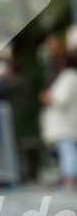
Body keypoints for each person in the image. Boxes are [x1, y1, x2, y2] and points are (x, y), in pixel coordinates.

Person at [39, 25, 77, 190]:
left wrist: (48, 97)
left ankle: (69, 179)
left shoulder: (69, 76)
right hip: (63, 123)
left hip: (65, 123)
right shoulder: (60, 73)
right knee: (65, 151)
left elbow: (60, 99)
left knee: (67, 150)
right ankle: (67, 178)